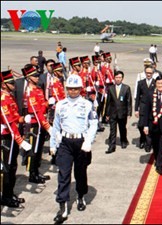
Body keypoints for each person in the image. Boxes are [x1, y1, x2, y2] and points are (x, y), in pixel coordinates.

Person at [50, 74, 98, 223]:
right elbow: (56, 126)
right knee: (63, 174)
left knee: (80, 173)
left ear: (80, 89)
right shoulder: (60, 105)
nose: (73, 92)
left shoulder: (87, 104)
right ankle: (63, 207)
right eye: (70, 89)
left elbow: (94, 124)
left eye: (76, 89)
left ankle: (81, 195)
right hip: (65, 142)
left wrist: (88, 141)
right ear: (66, 89)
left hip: (81, 142)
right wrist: (53, 144)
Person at [1, 70, 32, 208]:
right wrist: (19, 139)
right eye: (10, 83)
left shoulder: (9, 96)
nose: (14, 85)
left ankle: (9, 193)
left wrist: (22, 119)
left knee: (13, 165)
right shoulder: (3, 99)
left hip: (13, 134)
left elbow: (14, 117)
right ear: (3, 85)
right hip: (7, 136)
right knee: (8, 167)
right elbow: (9, 122)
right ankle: (6, 197)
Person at [21, 65, 53, 184]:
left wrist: (47, 103)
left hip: (41, 122)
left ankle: (36, 171)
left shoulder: (38, 89)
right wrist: (47, 126)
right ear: (29, 78)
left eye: (38, 75)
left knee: (38, 149)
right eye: (34, 76)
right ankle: (32, 174)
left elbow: (42, 106)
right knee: (34, 150)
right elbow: (36, 111)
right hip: (35, 124)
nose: (37, 77)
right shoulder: (29, 92)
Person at [105, 71, 132, 154]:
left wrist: (129, 113)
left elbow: (129, 101)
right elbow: (108, 102)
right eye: (116, 77)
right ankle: (112, 146)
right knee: (112, 130)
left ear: (122, 78)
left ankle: (123, 141)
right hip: (113, 113)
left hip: (122, 112)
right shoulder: (110, 88)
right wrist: (107, 114)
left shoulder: (126, 88)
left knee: (122, 128)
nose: (118, 79)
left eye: (120, 77)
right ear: (114, 78)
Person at [135, 66, 156, 152]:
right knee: (140, 125)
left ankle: (148, 143)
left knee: (150, 126)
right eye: (147, 73)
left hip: (152, 107)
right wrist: (136, 109)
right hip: (143, 107)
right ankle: (142, 138)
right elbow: (137, 97)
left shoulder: (155, 83)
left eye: (150, 73)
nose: (148, 74)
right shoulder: (140, 83)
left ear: (153, 73)